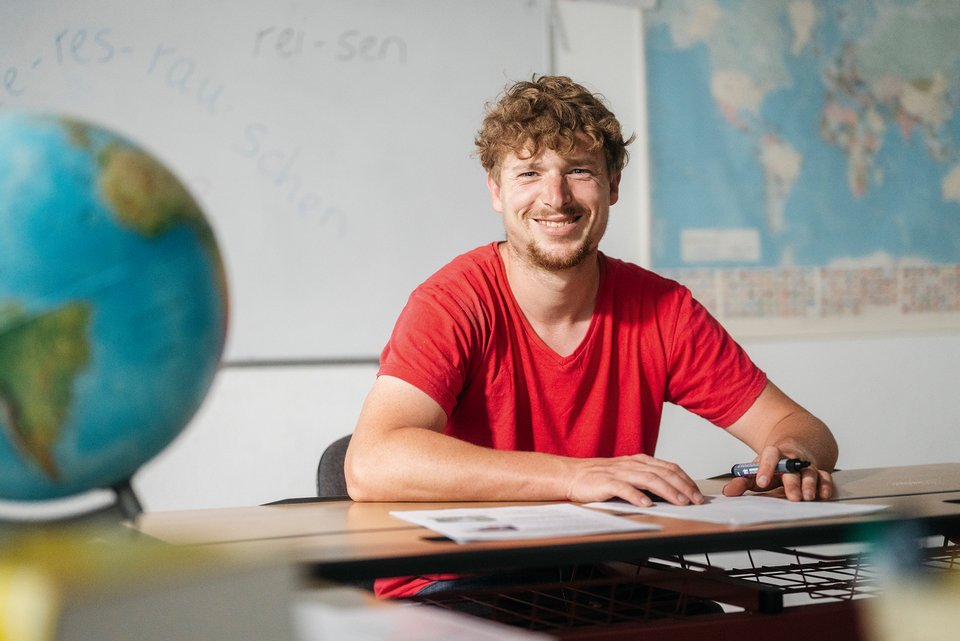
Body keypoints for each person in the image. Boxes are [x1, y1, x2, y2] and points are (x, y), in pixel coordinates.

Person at [345, 75, 839, 599]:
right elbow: (372, 463)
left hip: (596, 578)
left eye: (579, 171)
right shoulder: (452, 302)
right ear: (496, 190)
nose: (555, 198)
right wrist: (574, 478)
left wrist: (791, 455)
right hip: (453, 583)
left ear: (613, 185)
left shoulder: (663, 309)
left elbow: (803, 428)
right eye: (530, 173)